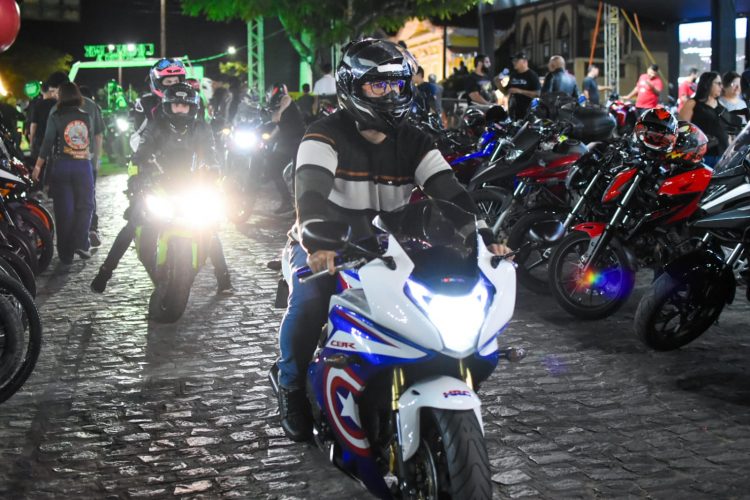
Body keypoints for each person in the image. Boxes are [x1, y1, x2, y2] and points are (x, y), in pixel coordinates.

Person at [276, 38, 511, 441]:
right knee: (311, 300)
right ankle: (291, 386)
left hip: (390, 244)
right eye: (377, 84)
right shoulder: (323, 135)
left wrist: (484, 237)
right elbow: (310, 195)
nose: (389, 93)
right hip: (326, 243)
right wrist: (317, 240)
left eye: (396, 84)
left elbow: (451, 193)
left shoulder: (414, 139)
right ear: (352, 87)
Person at [90, 83, 233, 294]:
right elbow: (140, 154)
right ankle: (105, 272)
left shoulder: (201, 128)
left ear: (192, 108)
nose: (180, 110)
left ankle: (223, 277)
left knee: (208, 226)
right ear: (168, 106)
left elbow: (211, 154)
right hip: (158, 184)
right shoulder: (156, 126)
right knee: (134, 223)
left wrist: (214, 174)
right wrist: (136, 178)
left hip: (192, 186)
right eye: (176, 105)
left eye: (184, 106)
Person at [31, 82, 95, 264]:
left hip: (62, 165)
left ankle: (66, 253)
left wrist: (38, 166)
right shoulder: (86, 116)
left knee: (64, 210)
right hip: (83, 165)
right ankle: (81, 242)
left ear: (61, 96)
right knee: (86, 205)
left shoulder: (56, 116)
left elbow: (47, 142)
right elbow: (88, 141)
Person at [46, 72, 106, 248]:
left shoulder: (56, 110)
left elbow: (50, 140)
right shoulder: (91, 106)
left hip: (63, 162)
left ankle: (73, 240)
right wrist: (97, 159)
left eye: (55, 91)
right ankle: (88, 231)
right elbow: (99, 135)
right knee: (87, 200)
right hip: (87, 161)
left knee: (67, 203)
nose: (54, 95)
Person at [266, 83, 305, 214]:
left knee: (296, 175)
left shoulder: (285, 100)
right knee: (273, 168)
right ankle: (287, 202)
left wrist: (280, 111)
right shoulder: (279, 107)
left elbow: (286, 99)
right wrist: (267, 138)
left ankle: (300, 208)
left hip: (298, 141)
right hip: (286, 142)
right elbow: (278, 127)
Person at [679, 72, 729, 166]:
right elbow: (682, 128)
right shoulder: (693, 103)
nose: (721, 86)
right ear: (708, 84)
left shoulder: (721, 106)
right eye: (718, 83)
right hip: (703, 155)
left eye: (721, 83)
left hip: (722, 155)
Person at [133, 58, 187, 132]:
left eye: (176, 81)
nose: (173, 85)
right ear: (157, 83)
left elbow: (200, 127)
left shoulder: (191, 101)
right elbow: (137, 134)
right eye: (168, 82)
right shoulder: (146, 104)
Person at [500, 52, 541, 120]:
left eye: (516, 60)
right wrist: (498, 83)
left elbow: (537, 94)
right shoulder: (513, 75)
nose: (514, 62)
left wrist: (520, 91)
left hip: (527, 113)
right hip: (513, 113)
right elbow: (506, 92)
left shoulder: (532, 75)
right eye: (513, 61)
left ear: (525, 61)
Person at [28, 82, 58, 168]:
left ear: (41, 91)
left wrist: (31, 141)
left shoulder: (38, 105)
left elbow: (34, 125)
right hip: (54, 139)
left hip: (40, 139)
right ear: (51, 90)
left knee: (39, 165)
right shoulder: (57, 104)